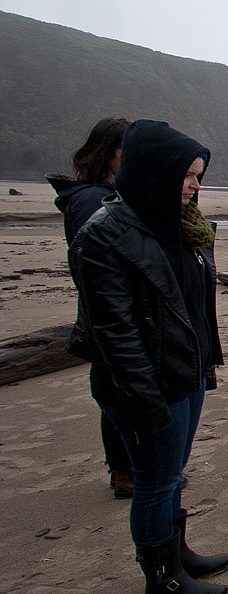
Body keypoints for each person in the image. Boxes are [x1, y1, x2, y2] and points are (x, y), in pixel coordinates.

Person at [68, 119, 228, 594]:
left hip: (184, 372)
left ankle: (177, 552)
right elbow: (113, 332)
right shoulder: (105, 235)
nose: (195, 185)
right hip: (144, 383)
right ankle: (163, 579)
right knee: (156, 479)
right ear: (156, 171)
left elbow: (195, 308)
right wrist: (144, 399)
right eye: (188, 174)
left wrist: (205, 365)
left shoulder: (181, 226)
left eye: (199, 176)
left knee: (171, 471)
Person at [46, 116, 135, 499]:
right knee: (117, 390)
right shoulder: (89, 200)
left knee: (121, 390)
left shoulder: (106, 193)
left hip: (116, 310)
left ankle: (129, 469)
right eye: (124, 149)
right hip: (111, 314)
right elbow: (97, 262)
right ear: (108, 152)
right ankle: (127, 471)